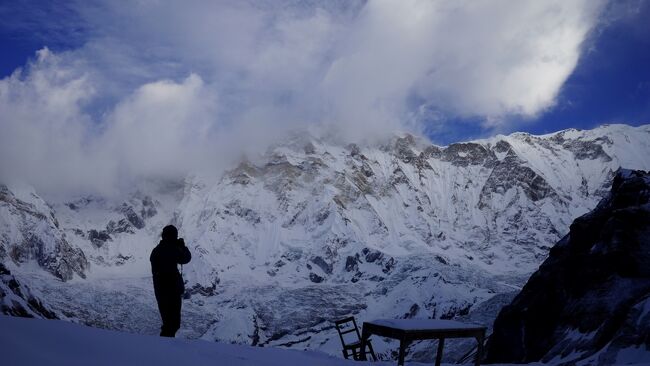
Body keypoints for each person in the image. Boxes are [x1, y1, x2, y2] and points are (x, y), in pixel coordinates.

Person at [150, 225, 191, 337]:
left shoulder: (156, 251)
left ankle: (165, 348)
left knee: (168, 323)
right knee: (173, 324)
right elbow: (186, 258)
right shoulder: (171, 249)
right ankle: (165, 349)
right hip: (172, 291)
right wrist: (182, 246)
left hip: (160, 291)